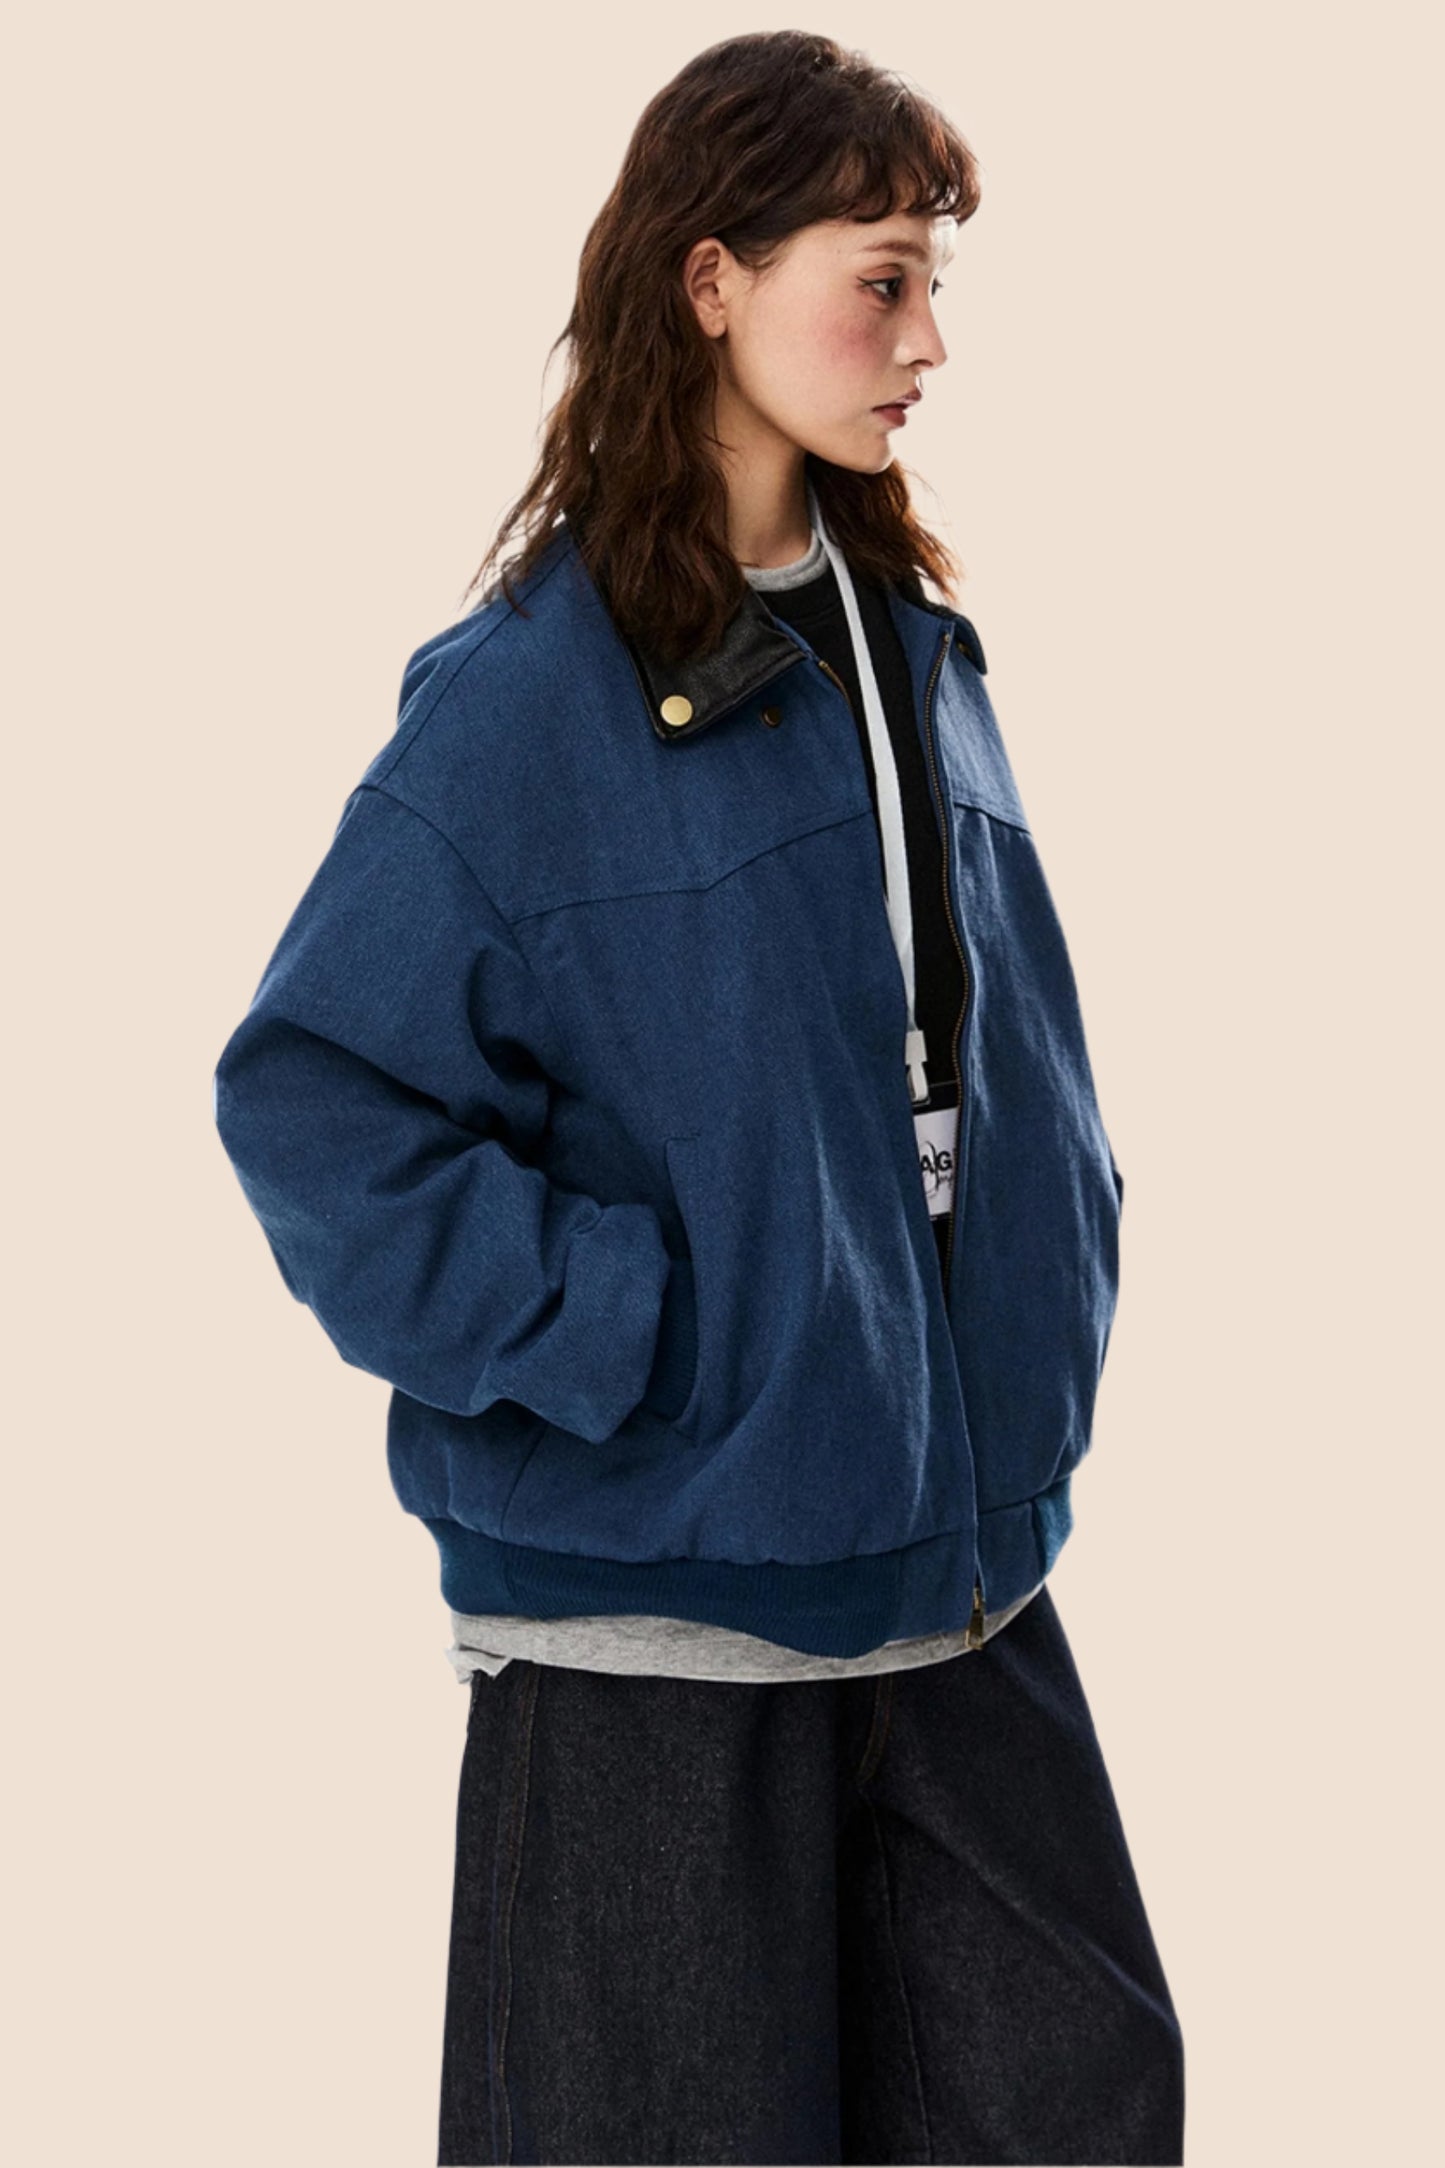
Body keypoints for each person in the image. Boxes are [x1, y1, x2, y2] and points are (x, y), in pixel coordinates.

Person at [212, 29, 1186, 2167]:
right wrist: (638, 1333)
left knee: (1081, 2091)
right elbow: (315, 1103)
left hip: (953, 1579)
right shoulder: (524, 702)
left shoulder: (900, 637)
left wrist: (1053, 1265)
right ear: (712, 280)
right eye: (882, 280)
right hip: (662, 1621)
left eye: (935, 283)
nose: (928, 341)